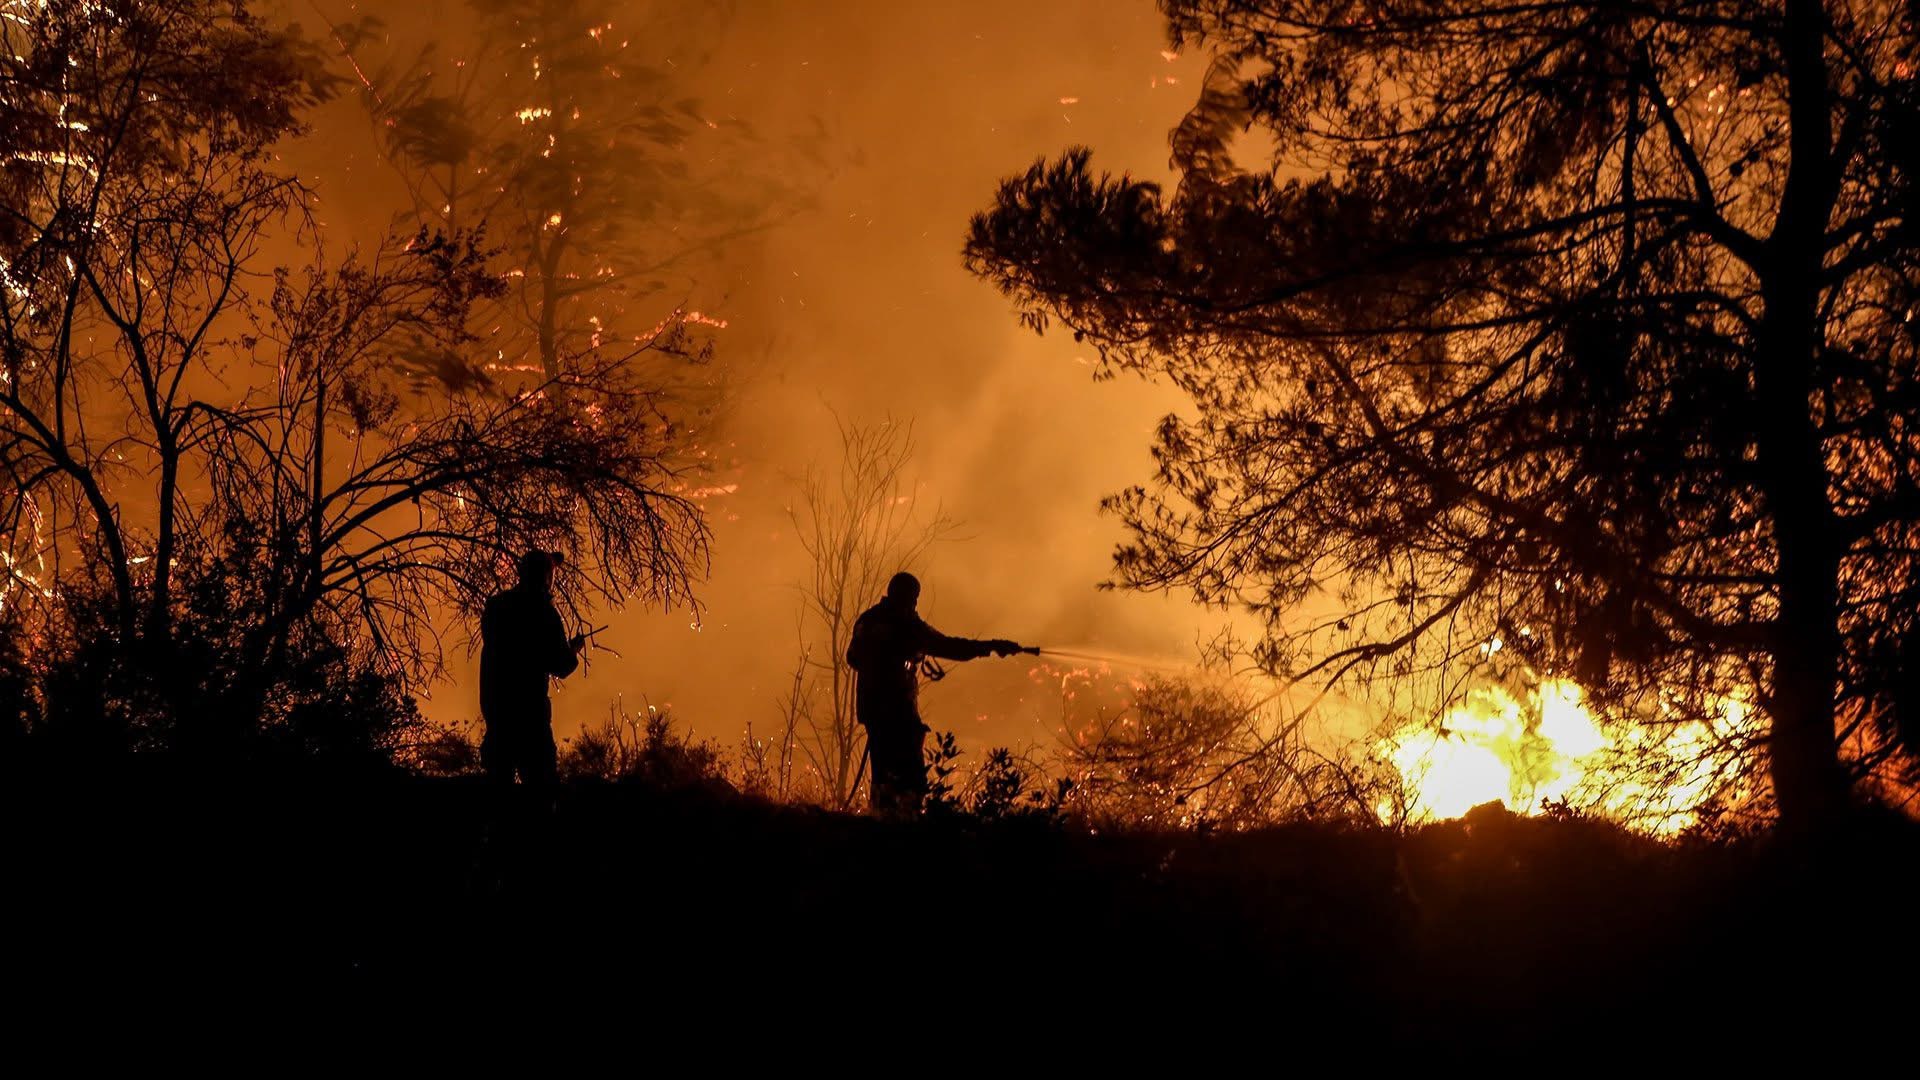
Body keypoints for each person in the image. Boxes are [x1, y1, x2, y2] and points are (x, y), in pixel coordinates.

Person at [845, 571, 1028, 815]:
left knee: (883, 774)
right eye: (914, 598)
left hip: (872, 710)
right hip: (898, 712)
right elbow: (950, 647)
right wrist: (992, 646)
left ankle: (880, 821)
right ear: (907, 596)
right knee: (910, 779)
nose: (915, 604)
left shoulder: (867, 620)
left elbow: (852, 658)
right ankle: (904, 824)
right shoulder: (905, 625)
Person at [479, 550, 587, 799]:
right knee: (540, 795)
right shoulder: (543, 613)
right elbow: (560, 665)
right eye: (551, 572)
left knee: (498, 797)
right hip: (531, 720)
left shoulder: (496, 608)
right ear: (546, 575)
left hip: (497, 716)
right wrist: (572, 651)